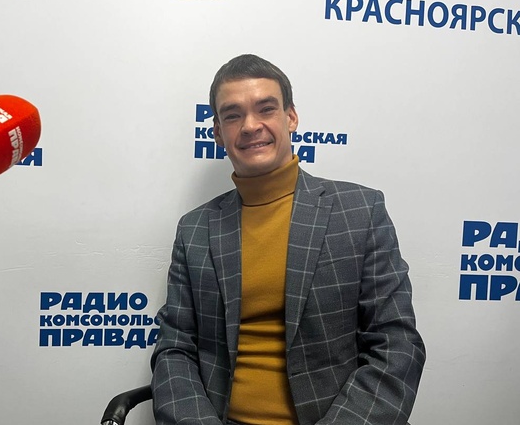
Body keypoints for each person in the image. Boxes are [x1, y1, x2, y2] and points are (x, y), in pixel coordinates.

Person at [150, 54, 426, 425]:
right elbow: (175, 349)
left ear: (291, 117)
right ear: (217, 132)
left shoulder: (360, 210)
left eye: (266, 109)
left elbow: (397, 345)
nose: (250, 126)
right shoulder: (194, 229)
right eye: (232, 115)